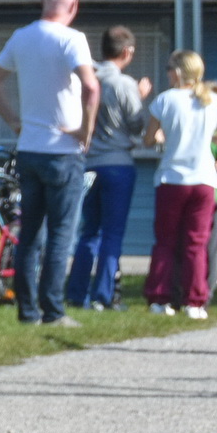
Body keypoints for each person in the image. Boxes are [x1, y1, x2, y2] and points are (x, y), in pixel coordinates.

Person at [0, 0, 100, 327]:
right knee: (61, 233)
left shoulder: (22, 37)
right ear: (73, 7)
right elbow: (91, 88)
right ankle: (53, 311)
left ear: (43, 2)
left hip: (29, 148)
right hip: (63, 151)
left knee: (29, 233)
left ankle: (27, 311)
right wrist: (85, 131)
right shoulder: (72, 39)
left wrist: (16, 122)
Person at [65, 25, 151, 311]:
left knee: (89, 232)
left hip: (88, 164)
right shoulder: (123, 84)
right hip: (117, 163)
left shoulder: (84, 80)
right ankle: (103, 295)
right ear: (126, 51)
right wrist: (140, 95)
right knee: (112, 233)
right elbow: (137, 123)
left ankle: (76, 293)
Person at [143, 50, 217, 319]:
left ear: (179, 72)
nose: (168, 72)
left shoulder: (164, 100)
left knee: (166, 241)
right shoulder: (214, 101)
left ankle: (161, 298)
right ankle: (195, 301)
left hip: (172, 179)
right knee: (197, 244)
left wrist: (163, 137)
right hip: (204, 180)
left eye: (170, 68)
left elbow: (149, 139)